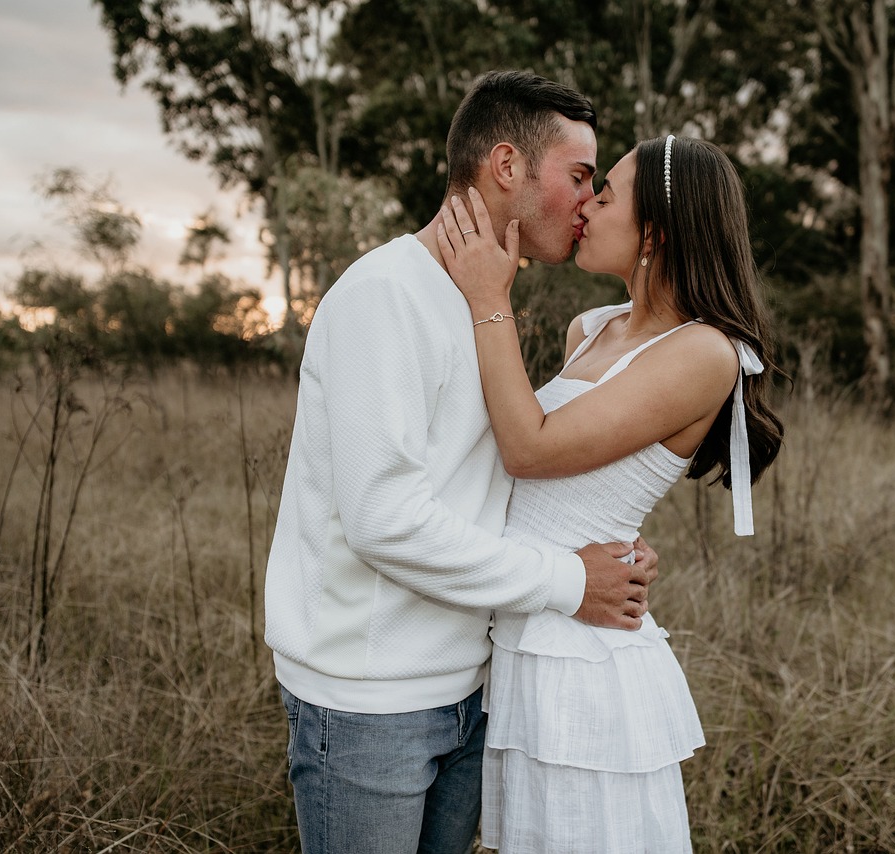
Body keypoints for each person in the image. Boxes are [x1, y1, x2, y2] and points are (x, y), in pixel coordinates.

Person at [263, 70, 663, 854]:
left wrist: (611, 543)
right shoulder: (385, 295)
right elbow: (386, 521)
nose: (590, 202)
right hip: (368, 705)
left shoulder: (490, 309)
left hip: (474, 693)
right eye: (580, 176)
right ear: (507, 167)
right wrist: (571, 581)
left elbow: (493, 478)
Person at [434, 134, 783, 852]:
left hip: (583, 661)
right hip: (526, 626)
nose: (586, 205)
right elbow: (566, 480)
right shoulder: (589, 329)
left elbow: (528, 448)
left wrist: (489, 297)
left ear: (654, 230)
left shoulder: (703, 352)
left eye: (607, 193)